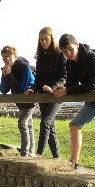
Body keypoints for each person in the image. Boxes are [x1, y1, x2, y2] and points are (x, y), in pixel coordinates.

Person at [53, 33, 95, 176]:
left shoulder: (93, 58)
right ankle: (74, 162)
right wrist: (62, 89)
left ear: (77, 45)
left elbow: (91, 85)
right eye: (64, 51)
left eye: (70, 49)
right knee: (74, 124)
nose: (68, 53)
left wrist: (67, 90)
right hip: (93, 100)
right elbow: (73, 83)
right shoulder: (70, 62)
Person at [24, 27, 66, 159]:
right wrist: (33, 88)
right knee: (51, 128)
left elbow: (64, 76)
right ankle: (57, 158)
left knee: (46, 122)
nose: (43, 42)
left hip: (57, 94)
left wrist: (53, 88)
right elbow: (39, 78)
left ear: (52, 39)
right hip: (43, 95)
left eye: (46, 39)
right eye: (41, 39)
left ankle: (39, 153)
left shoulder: (61, 55)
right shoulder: (40, 57)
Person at [0, 46, 36, 157]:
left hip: (29, 100)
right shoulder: (6, 69)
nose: (6, 59)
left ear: (15, 56)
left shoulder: (25, 68)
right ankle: (31, 152)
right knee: (28, 125)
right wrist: (5, 75)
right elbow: (3, 89)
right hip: (20, 103)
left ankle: (25, 152)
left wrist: (9, 75)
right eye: (4, 57)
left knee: (23, 123)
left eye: (8, 56)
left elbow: (22, 89)